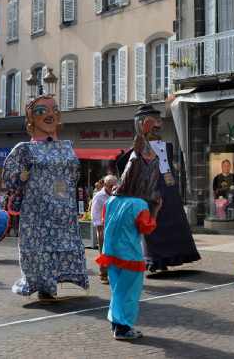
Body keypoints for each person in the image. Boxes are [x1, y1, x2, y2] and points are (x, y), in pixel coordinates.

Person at [2, 94, 88, 299]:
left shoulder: (66, 147)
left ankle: (57, 280)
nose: (50, 115)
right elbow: (9, 179)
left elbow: (74, 175)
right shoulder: (25, 149)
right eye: (42, 111)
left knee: (63, 245)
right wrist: (23, 177)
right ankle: (43, 286)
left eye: (53, 110)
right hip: (37, 213)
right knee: (39, 249)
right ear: (31, 118)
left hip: (63, 211)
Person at [116, 104, 200, 272]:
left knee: (175, 225)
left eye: (158, 121)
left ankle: (175, 256)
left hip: (169, 191)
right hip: (150, 192)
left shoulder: (166, 147)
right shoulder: (137, 150)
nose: (157, 126)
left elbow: (169, 167)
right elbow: (128, 169)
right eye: (152, 122)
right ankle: (155, 260)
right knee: (153, 227)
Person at [97, 133, 161, 340]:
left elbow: (107, 223)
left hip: (112, 254)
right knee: (129, 294)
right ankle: (123, 327)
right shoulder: (139, 204)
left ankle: (117, 323)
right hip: (130, 256)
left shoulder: (112, 201)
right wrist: (156, 210)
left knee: (118, 291)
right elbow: (147, 228)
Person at [91, 175, 118, 284]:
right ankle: (103, 274)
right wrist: (99, 227)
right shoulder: (99, 196)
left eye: (115, 185)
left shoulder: (117, 194)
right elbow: (95, 213)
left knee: (116, 252)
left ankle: (115, 273)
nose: (113, 188)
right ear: (105, 185)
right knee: (104, 252)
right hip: (103, 227)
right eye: (111, 185)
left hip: (115, 227)